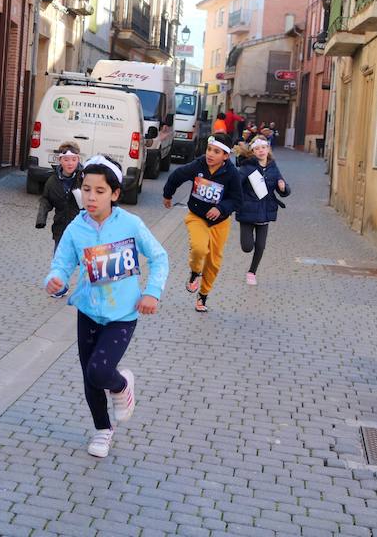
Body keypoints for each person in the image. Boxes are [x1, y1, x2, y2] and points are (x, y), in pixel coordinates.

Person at [44, 156, 168, 458]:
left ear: (114, 194)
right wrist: (56, 279)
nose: (91, 197)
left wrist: (152, 292)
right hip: (88, 312)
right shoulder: (76, 228)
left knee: (100, 371)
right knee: (90, 375)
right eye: (86, 189)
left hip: (122, 315)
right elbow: (62, 263)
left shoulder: (130, 224)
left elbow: (159, 257)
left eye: (99, 191)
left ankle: (122, 384)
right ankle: (102, 430)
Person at [163, 134, 242, 312]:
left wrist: (221, 208)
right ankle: (194, 273)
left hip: (219, 223)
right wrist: (168, 194)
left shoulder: (232, 174)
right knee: (199, 248)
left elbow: (237, 200)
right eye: (209, 150)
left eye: (216, 151)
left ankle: (203, 295)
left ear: (225, 156)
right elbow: (176, 176)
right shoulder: (198, 165)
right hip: (197, 216)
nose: (210, 154)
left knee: (213, 261)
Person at [235, 138, 290, 285]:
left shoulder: (273, 167)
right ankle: (249, 254)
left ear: (268, 150)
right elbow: (236, 186)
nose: (261, 150)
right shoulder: (247, 167)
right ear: (252, 151)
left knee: (261, 245)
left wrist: (283, 188)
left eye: (264, 147)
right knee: (247, 247)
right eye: (257, 148)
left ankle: (252, 272)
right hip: (247, 211)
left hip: (265, 210)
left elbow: (282, 186)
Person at [36, 141, 83, 252]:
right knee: (59, 263)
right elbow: (46, 200)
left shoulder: (83, 178)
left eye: (73, 159)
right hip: (61, 228)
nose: (70, 163)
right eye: (66, 160)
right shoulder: (52, 181)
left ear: (78, 160)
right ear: (60, 160)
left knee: (85, 264)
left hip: (81, 229)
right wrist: (41, 218)